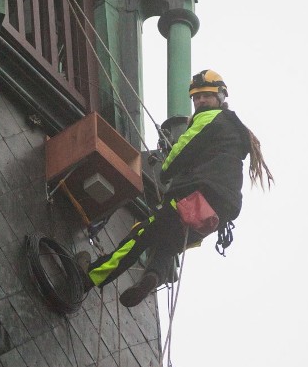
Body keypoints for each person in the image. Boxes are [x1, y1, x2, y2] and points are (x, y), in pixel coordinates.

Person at [79, 70, 274, 307]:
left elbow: (175, 159)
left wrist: (166, 168)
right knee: (167, 245)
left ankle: (89, 277)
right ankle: (152, 277)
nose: (200, 101)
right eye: (196, 97)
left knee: (141, 235)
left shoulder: (209, 118)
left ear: (220, 97)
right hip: (217, 215)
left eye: (206, 95)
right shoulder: (234, 132)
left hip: (194, 197)